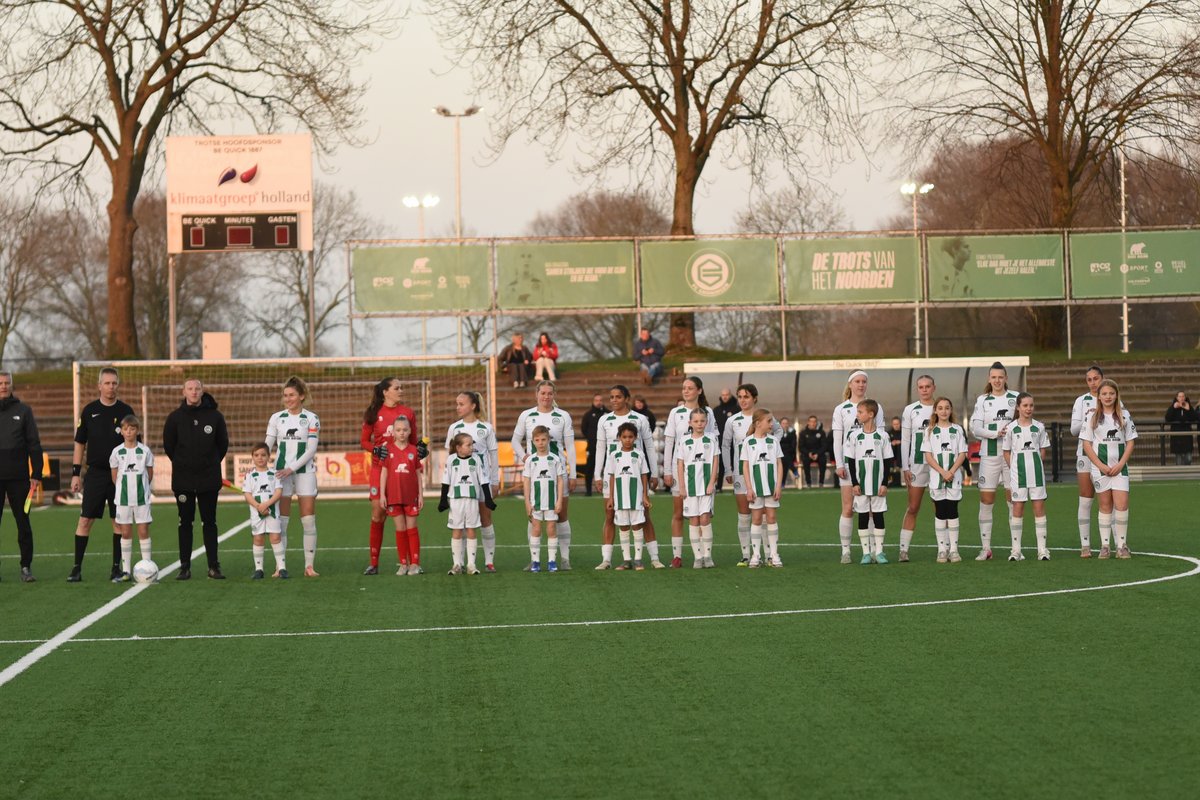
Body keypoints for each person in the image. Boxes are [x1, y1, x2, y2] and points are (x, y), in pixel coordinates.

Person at [68, 366, 135, 582]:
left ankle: (116, 568)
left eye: (114, 383)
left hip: (120, 475)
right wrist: (76, 473)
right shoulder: (89, 411)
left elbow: (134, 443)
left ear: (118, 385)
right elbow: (80, 443)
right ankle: (77, 568)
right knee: (85, 520)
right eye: (107, 383)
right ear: (99, 385)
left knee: (118, 521)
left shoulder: (126, 410)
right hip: (95, 474)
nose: (111, 386)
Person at [162, 378, 229, 580]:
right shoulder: (174, 418)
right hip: (183, 480)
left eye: (197, 389)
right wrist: (185, 464)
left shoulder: (215, 417)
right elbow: (169, 446)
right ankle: (184, 567)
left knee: (210, 522)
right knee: (185, 522)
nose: (193, 392)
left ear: (202, 391)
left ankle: (213, 566)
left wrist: (208, 464)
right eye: (190, 389)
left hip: (209, 479)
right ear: (183, 391)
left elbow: (222, 445)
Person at [593, 385, 662, 569]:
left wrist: (654, 473)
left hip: (635, 476)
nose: (614, 400)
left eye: (618, 397)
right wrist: (597, 475)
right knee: (610, 515)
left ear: (626, 398)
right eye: (611, 397)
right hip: (613, 476)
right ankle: (606, 559)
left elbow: (648, 447)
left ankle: (654, 557)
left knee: (644, 516)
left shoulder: (640, 419)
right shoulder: (604, 420)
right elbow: (600, 449)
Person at [512, 381, 577, 569]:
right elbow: (515, 441)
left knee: (561, 515)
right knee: (534, 515)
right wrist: (525, 457)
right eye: (543, 393)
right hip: (535, 475)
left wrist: (571, 473)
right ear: (536, 394)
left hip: (557, 473)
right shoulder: (526, 415)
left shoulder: (563, 416)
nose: (546, 397)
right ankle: (534, 559)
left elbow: (570, 446)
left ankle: (564, 559)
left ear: (554, 394)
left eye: (550, 393)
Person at [361, 377, 419, 575]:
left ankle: (410, 563)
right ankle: (374, 563)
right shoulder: (374, 413)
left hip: (401, 472)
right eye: (397, 388)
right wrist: (377, 450)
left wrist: (421, 451)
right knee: (378, 513)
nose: (401, 390)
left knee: (406, 516)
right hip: (380, 469)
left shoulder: (408, 413)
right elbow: (364, 441)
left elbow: (414, 442)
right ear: (385, 392)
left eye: (401, 387)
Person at [265, 376, 321, 577]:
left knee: (308, 520)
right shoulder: (276, 418)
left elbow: (311, 449)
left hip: (304, 473)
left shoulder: (312, 418)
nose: (288, 399)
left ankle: (309, 566)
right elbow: (268, 445)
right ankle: (280, 567)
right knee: (282, 522)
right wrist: (260, 466)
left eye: (292, 395)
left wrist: (292, 468)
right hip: (281, 474)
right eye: (285, 395)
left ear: (301, 396)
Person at [721, 383, 782, 566]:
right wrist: (729, 469)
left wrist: (768, 447)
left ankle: (768, 554)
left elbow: (779, 431)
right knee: (745, 514)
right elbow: (726, 446)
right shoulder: (733, 421)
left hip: (763, 472)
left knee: (765, 515)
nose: (742, 400)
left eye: (746, 397)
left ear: (754, 398)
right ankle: (746, 554)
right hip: (742, 473)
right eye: (739, 397)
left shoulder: (764, 417)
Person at [663, 376, 718, 567]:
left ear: (699, 390)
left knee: (704, 515)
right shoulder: (675, 413)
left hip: (704, 472)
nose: (686, 391)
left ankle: (704, 555)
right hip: (682, 472)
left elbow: (713, 442)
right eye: (683, 388)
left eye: (690, 388)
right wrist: (667, 470)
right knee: (680, 513)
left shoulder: (708, 412)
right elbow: (670, 442)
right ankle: (677, 555)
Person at [1081, 379, 1137, 559]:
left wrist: (1121, 464)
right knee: (1105, 506)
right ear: (1099, 396)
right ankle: (1105, 546)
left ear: (1116, 395)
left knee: (1121, 505)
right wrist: (1100, 465)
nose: (1108, 397)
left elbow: (1130, 442)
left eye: (1111, 394)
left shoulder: (1124, 415)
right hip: (1100, 469)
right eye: (1104, 394)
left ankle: (1121, 545)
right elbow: (1087, 445)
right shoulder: (1092, 417)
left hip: (1120, 469)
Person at [832, 370, 884, 564]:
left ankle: (871, 550)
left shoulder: (876, 407)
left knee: (870, 508)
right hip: (849, 465)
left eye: (864, 381)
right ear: (850, 384)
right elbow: (837, 439)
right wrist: (839, 464)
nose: (861, 385)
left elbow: (881, 438)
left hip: (871, 465)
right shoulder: (841, 409)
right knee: (848, 508)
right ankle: (845, 550)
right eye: (857, 381)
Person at [970, 361, 1019, 561]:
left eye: (1000, 377)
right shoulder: (983, 400)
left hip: (1011, 455)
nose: (997, 380)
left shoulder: (1015, 397)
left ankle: (1016, 549)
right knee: (986, 501)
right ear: (989, 379)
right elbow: (975, 428)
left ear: (1006, 378)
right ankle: (986, 548)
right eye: (993, 377)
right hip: (989, 456)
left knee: (1013, 500)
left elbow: (1024, 421)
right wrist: (995, 433)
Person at [445, 391, 498, 571]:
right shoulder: (454, 428)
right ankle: (459, 563)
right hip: (461, 486)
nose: (457, 407)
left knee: (485, 518)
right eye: (457, 403)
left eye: (461, 404)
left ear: (473, 406)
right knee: (461, 522)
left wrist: (495, 480)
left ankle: (489, 561)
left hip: (482, 482)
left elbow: (493, 455)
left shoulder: (486, 428)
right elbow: (450, 457)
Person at [0, 373, 42, 583]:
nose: (3, 386)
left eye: (7, 383)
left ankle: (26, 567)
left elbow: (34, 443)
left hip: (19, 479)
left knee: (23, 523)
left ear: (12, 386)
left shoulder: (24, 411)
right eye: (0, 383)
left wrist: (36, 473)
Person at [1002, 393, 1051, 562]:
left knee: (1038, 509)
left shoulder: (1040, 427)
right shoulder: (1010, 428)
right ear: (1018, 407)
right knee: (1017, 509)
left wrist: (1035, 464)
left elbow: (1043, 450)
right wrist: (1015, 467)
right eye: (1025, 405)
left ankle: (1042, 550)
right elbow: (1006, 452)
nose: (1028, 408)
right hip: (1018, 475)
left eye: (1031, 405)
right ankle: (1016, 551)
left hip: (1036, 474)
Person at [843, 399, 892, 565]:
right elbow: (850, 461)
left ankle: (879, 552)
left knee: (878, 516)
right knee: (863, 516)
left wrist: (885, 483)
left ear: (871, 414)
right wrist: (854, 483)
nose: (857, 415)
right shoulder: (854, 436)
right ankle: (865, 553)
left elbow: (888, 461)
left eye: (860, 412)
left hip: (878, 485)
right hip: (861, 485)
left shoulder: (883, 436)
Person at [438, 433, 495, 574]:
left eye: (472, 444)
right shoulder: (451, 460)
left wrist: (488, 499)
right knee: (456, 530)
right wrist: (443, 500)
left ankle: (471, 565)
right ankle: (457, 564)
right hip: (456, 501)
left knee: (471, 530)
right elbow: (446, 481)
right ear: (458, 447)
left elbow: (483, 480)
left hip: (472, 500)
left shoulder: (476, 460)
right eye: (468, 445)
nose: (472, 447)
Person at [922, 397, 968, 563]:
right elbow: (928, 456)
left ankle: (954, 550)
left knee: (953, 511)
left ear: (951, 410)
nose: (943, 411)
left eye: (946, 408)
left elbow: (962, 453)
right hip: (937, 478)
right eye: (940, 408)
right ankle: (942, 549)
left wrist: (952, 471)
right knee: (940, 512)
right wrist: (942, 471)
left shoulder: (957, 430)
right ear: (935, 410)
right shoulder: (929, 431)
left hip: (953, 478)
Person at [109, 415, 154, 582]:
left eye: (132, 429)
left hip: (142, 499)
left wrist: (141, 489)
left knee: (143, 531)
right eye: (126, 429)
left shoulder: (145, 451)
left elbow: (149, 475)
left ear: (137, 430)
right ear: (121, 431)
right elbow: (115, 477)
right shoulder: (116, 452)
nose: (129, 432)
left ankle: (147, 567)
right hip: (123, 499)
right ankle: (126, 571)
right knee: (125, 532)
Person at [898, 375, 936, 563]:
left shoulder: (941, 407)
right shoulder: (910, 410)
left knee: (941, 507)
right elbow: (905, 440)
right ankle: (903, 550)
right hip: (917, 464)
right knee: (913, 507)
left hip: (938, 465)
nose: (924, 390)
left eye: (927, 386)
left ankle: (945, 548)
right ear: (917, 389)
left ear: (933, 388)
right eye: (921, 387)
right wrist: (905, 466)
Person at [741, 408, 785, 568]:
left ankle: (774, 554)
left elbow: (779, 464)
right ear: (758, 423)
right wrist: (749, 488)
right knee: (757, 519)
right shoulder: (748, 442)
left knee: (772, 518)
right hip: (755, 488)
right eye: (769, 421)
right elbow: (745, 466)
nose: (772, 424)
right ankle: (756, 555)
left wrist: (778, 485)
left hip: (771, 488)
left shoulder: (773, 441)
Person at [604, 422, 651, 570]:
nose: (627, 440)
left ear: (635, 438)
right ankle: (626, 560)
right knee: (623, 527)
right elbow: (611, 477)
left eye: (630, 437)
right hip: (620, 497)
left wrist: (645, 496)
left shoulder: (639, 454)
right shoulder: (614, 455)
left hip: (636, 496)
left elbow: (644, 475)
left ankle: (638, 559)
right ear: (619, 438)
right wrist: (611, 498)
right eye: (624, 437)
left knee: (637, 526)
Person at [380, 416, 423, 575]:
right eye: (398, 430)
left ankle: (415, 563)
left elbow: (418, 475)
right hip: (393, 496)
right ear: (393, 432)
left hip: (410, 495)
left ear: (410, 431)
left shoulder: (414, 450)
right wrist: (383, 495)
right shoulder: (388, 450)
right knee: (400, 529)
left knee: (412, 528)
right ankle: (403, 563)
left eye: (405, 430)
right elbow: (384, 473)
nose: (402, 433)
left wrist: (421, 495)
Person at [677, 408, 719, 568]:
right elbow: (680, 464)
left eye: (702, 421)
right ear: (690, 423)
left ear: (706, 422)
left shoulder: (711, 439)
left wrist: (712, 482)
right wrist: (681, 486)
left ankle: (707, 556)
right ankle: (697, 557)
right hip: (690, 487)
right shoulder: (684, 440)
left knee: (705, 519)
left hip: (706, 487)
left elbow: (715, 461)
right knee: (694, 520)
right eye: (696, 421)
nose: (699, 424)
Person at [523, 425, 566, 572]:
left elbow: (560, 480)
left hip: (551, 501)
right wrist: (527, 502)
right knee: (535, 529)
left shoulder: (555, 459)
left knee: (551, 528)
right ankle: (535, 561)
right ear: (533, 442)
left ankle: (552, 561)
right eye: (537, 440)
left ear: (548, 440)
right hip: (536, 502)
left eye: (543, 439)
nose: (540, 443)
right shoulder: (530, 460)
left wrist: (559, 500)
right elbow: (527, 481)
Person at [1071, 366, 1104, 555]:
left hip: (1106, 454)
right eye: (1089, 379)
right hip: (1084, 452)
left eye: (1096, 378)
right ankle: (1085, 545)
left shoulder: (1112, 397)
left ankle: (1111, 544)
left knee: (1108, 499)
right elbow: (1073, 430)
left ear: (1102, 379)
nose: (1093, 382)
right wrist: (1089, 420)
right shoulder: (1081, 401)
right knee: (1085, 499)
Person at [242, 443, 287, 579]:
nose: (260, 458)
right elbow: (247, 494)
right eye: (256, 455)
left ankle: (282, 568)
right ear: (252, 457)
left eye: (263, 455)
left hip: (272, 512)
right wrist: (258, 506)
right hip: (257, 513)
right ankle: (259, 569)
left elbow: (278, 492)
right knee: (258, 539)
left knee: (275, 538)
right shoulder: (249, 476)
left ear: (268, 457)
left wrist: (266, 504)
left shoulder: (275, 474)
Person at [713, 388, 739, 491]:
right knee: (721, 464)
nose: (725, 397)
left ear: (730, 395)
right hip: (720, 442)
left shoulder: (737, 409)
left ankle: (737, 485)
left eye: (727, 395)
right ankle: (719, 486)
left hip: (734, 442)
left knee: (735, 462)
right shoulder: (716, 410)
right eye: (723, 395)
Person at [580, 394, 607, 496]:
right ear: (593, 401)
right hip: (593, 447)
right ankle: (588, 490)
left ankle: (608, 490)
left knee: (608, 469)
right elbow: (584, 429)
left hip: (607, 448)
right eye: (596, 400)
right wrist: (592, 439)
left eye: (600, 400)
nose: (598, 402)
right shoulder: (588, 415)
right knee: (590, 469)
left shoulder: (608, 414)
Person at [1165, 390, 1197, 466]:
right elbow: (1167, 418)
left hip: (1187, 435)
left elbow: (1194, 418)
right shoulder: (1173, 406)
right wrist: (1173, 408)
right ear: (1177, 398)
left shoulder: (1188, 406)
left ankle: (1187, 472)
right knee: (1178, 458)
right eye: (1180, 396)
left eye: (1183, 396)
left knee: (1188, 458)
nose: (1182, 398)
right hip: (1177, 436)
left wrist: (1188, 410)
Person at [799, 416, 829, 488]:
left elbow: (824, 446)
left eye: (814, 422)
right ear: (808, 422)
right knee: (805, 461)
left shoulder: (821, 433)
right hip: (807, 454)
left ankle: (821, 483)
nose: (813, 423)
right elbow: (801, 447)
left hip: (819, 453)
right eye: (811, 421)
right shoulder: (803, 433)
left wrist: (818, 454)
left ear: (816, 423)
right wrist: (808, 453)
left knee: (823, 460)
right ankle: (808, 483)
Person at [779, 417, 799, 489]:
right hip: (780, 454)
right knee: (784, 464)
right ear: (780, 424)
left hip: (789, 453)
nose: (785, 425)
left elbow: (793, 444)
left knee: (785, 464)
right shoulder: (776, 433)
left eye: (786, 423)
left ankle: (782, 483)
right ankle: (794, 470)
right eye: (783, 423)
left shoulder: (792, 432)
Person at [887, 417, 903, 488]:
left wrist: (900, 442)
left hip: (901, 454)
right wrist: (891, 443)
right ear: (892, 424)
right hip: (892, 454)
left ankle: (899, 466)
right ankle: (891, 468)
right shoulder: (888, 433)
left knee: (900, 446)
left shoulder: (904, 433)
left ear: (900, 424)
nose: (896, 425)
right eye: (894, 424)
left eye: (897, 424)